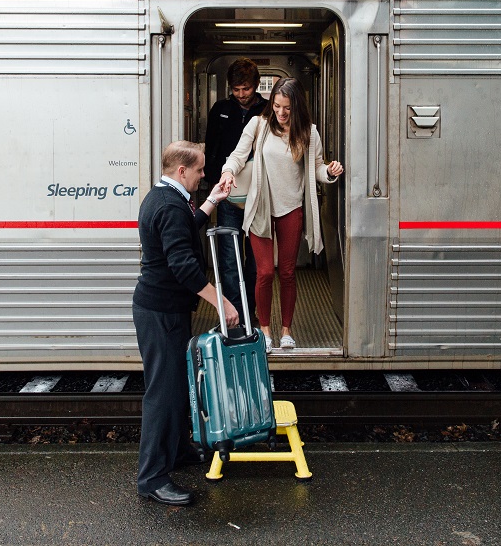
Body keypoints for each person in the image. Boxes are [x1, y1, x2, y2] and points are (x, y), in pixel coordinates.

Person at [133, 140, 238, 506]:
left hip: (164, 309)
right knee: (162, 394)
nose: (203, 176)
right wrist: (221, 302)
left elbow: (184, 228)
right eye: (199, 171)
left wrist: (213, 202)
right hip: (160, 312)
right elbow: (183, 266)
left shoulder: (163, 198)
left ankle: (176, 452)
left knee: (177, 387)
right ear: (182, 171)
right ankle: (151, 478)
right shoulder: (170, 206)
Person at [217, 78, 344, 353]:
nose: (281, 113)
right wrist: (228, 172)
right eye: (276, 106)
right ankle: (265, 331)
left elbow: (318, 169)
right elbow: (238, 156)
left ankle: (286, 330)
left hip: (291, 208)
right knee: (264, 273)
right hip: (260, 207)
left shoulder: (309, 132)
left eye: (287, 107)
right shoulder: (258, 125)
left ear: (297, 106)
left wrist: (330, 172)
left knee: (287, 273)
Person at [203, 58, 268, 333]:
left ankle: (250, 313)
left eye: (246, 88)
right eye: (236, 89)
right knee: (229, 261)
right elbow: (212, 147)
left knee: (254, 263)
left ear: (255, 85)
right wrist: (212, 182)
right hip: (228, 195)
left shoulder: (267, 111)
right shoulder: (220, 109)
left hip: (258, 196)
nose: (241, 94)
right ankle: (235, 316)